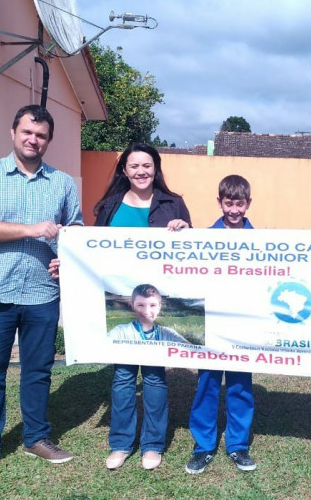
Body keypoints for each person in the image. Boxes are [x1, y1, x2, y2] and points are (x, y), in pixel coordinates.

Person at [0, 105, 82, 484]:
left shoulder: (61, 183)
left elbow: (75, 231)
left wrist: (68, 258)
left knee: (38, 372)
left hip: (42, 294)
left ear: (48, 140)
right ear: (13, 132)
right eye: (28, 132)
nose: (34, 140)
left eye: (41, 135)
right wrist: (30, 230)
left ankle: (36, 437)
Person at [97, 143, 191, 471]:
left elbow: (192, 253)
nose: (141, 171)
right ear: (124, 169)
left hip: (156, 302)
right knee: (123, 376)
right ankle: (121, 443)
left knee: (153, 376)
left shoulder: (173, 204)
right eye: (134, 166)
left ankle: (152, 444)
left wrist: (185, 230)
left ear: (156, 168)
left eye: (147, 165)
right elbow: (93, 252)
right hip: (120, 303)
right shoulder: (109, 206)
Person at [185, 175, 257, 475]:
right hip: (211, 325)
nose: (234, 210)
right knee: (207, 385)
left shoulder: (260, 242)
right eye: (228, 203)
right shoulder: (203, 238)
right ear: (220, 202)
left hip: (243, 326)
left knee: (240, 386)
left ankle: (238, 446)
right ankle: (203, 446)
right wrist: (180, 233)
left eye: (239, 204)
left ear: (248, 204)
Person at [108, 285, 190, 344]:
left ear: (159, 307)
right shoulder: (120, 331)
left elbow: (190, 349)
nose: (146, 311)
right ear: (133, 306)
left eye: (153, 305)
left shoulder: (168, 334)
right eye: (140, 305)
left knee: (153, 369)